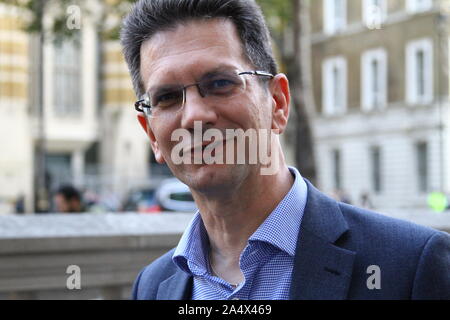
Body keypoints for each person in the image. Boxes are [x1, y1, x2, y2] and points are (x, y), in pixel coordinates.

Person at [120, 0, 449, 300]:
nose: (194, 115)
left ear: (278, 103)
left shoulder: (412, 267)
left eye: (220, 83)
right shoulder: (151, 286)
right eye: (167, 97)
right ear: (151, 133)